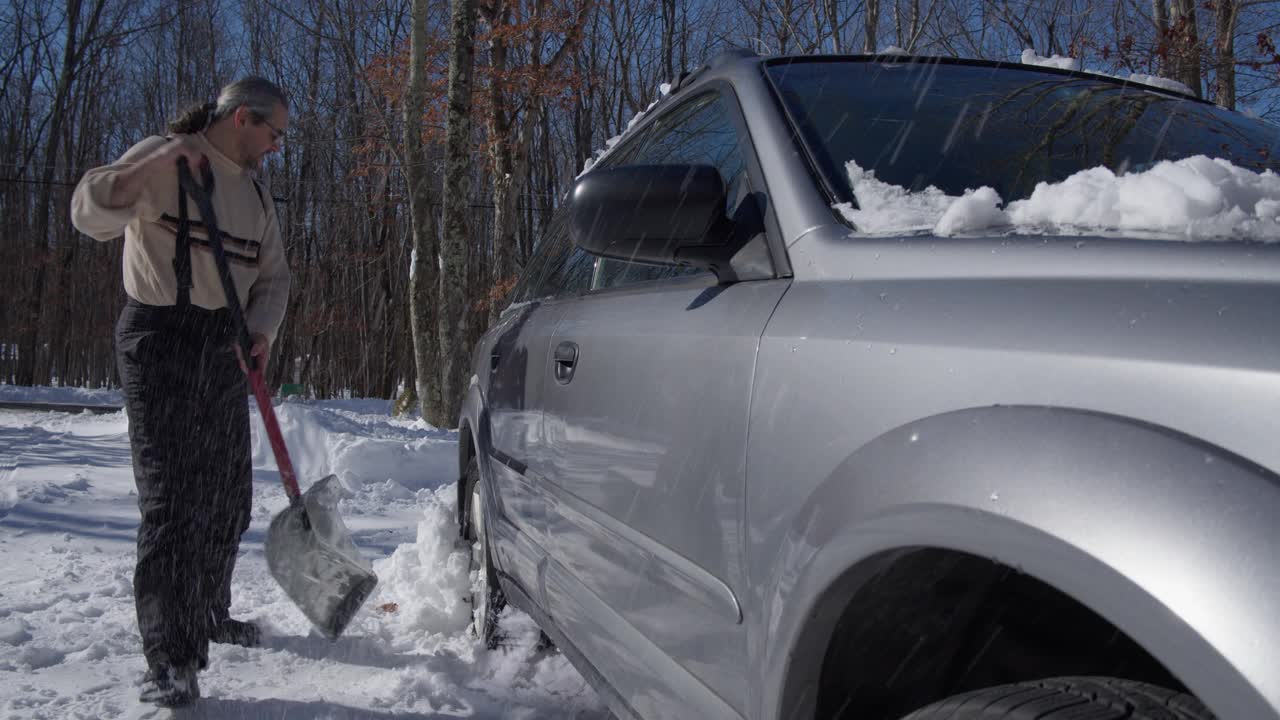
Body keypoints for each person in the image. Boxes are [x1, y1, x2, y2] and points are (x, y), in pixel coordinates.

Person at [70, 77, 291, 708]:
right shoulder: (163, 157)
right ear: (243, 118)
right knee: (172, 500)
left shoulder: (255, 192)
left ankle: (210, 613)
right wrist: (159, 158)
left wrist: (260, 330)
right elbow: (89, 210)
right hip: (159, 337)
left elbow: (275, 277)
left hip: (224, 344)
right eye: (273, 133)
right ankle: (171, 657)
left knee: (227, 496)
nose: (276, 146)